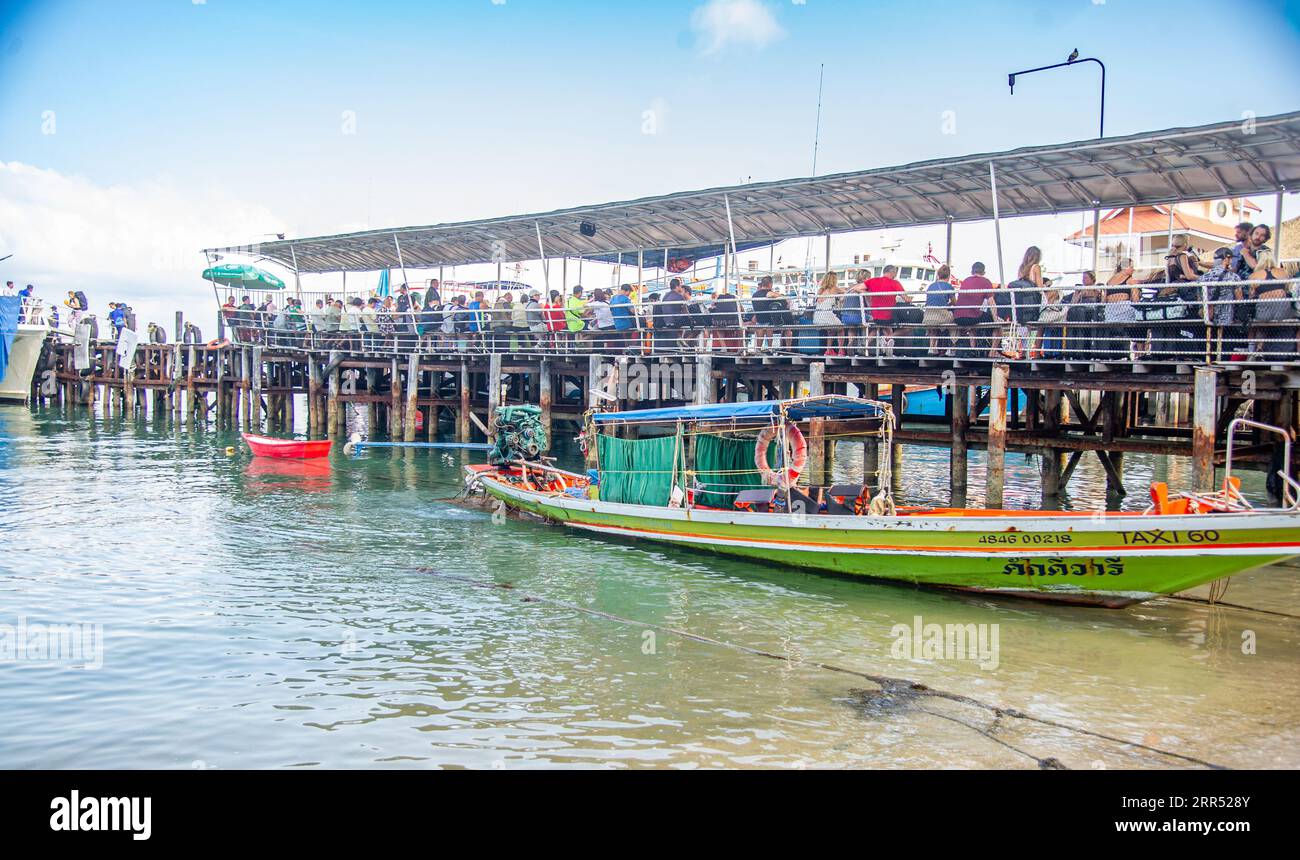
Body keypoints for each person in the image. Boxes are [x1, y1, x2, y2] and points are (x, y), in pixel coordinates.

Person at [1246, 248, 1295, 360]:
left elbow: (1251, 296)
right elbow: (1288, 291)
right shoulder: (1283, 272)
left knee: (1259, 326)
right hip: (1283, 312)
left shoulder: (1254, 275)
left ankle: (1258, 349)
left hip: (1264, 312)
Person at [1200, 247, 1246, 360]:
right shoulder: (1233, 277)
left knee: (1209, 341)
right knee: (1225, 345)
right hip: (1227, 317)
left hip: (1208, 316)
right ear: (1227, 259)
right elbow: (1239, 299)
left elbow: (1199, 297)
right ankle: (1222, 362)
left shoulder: (1203, 277)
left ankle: (1208, 360)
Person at [953, 262, 994, 357]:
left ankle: (972, 349)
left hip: (958, 317)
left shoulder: (965, 281)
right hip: (972, 317)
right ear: (983, 272)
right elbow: (991, 302)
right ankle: (993, 352)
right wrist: (996, 319)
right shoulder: (986, 281)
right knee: (998, 327)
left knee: (972, 326)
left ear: (972, 271)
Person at [865, 265, 905, 355]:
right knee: (891, 329)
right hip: (888, 315)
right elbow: (906, 299)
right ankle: (887, 346)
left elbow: (857, 288)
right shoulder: (895, 283)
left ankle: (865, 346)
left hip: (875, 315)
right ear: (893, 273)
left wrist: (870, 293)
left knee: (878, 327)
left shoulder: (873, 281)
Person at [922, 265, 955, 355]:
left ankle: (932, 348)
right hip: (941, 315)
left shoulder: (931, 286)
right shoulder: (948, 286)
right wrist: (948, 304)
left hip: (928, 316)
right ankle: (951, 348)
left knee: (933, 327)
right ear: (948, 276)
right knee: (955, 322)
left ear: (938, 275)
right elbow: (954, 303)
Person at [812, 271, 844, 356]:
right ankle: (841, 350)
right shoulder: (834, 288)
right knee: (841, 328)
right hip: (827, 316)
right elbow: (846, 291)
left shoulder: (820, 290)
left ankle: (828, 350)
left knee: (832, 330)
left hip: (817, 317)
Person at [708, 283, 742, 352]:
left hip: (720, 321)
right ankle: (741, 346)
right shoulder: (734, 297)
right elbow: (741, 309)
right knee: (740, 327)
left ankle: (724, 347)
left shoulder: (719, 297)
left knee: (718, 328)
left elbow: (712, 305)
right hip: (733, 320)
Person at [748, 276, 777, 352]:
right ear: (770, 284)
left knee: (760, 329)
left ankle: (758, 349)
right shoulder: (769, 293)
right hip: (769, 318)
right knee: (769, 328)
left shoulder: (755, 295)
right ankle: (770, 348)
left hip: (759, 318)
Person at [610, 283, 636, 351]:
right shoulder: (626, 299)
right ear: (627, 291)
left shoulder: (613, 298)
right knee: (641, 326)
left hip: (616, 323)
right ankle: (632, 349)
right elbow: (633, 311)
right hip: (625, 323)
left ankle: (624, 349)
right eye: (629, 293)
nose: (629, 294)